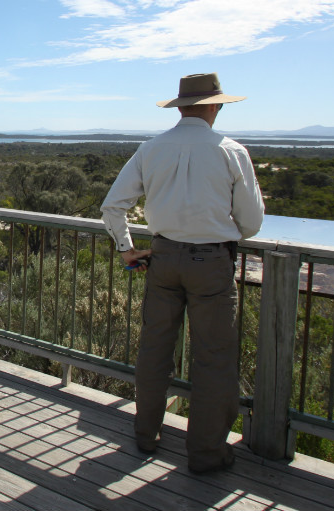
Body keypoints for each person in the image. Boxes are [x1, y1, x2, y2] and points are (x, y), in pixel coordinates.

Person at [101, 72, 264, 473]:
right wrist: (220, 237)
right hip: (211, 265)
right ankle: (207, 454)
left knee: (155, 349)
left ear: (181, 107)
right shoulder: (231, 151)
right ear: (215, 106)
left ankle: (146, 435)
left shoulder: (151, 149)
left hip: (162, 258)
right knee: (213, 358)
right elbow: (252, 222)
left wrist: (126, 250)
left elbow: (112, 206)